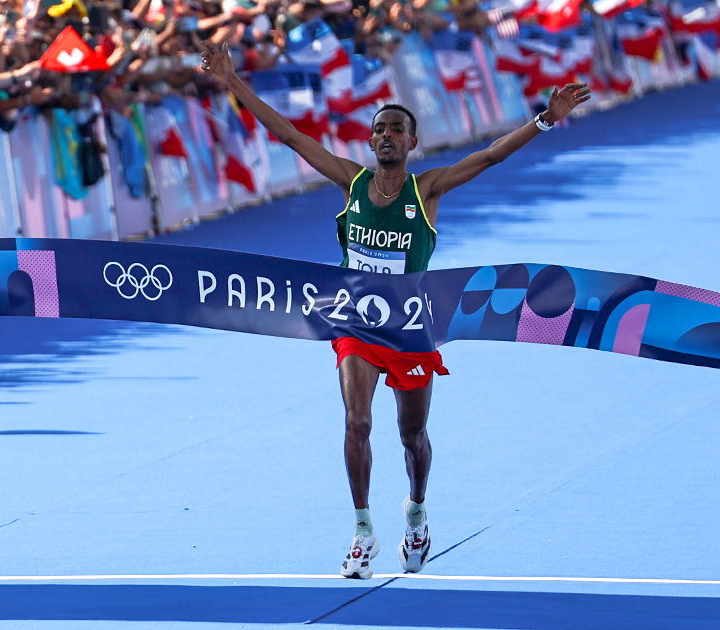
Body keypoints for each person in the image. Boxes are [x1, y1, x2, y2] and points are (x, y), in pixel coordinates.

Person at [200, 40, 591, 579]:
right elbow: (288, 135)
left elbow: (491, 155)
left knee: (412, 437)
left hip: (410, 330)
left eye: (395, 129)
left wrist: (546, 119)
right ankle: (362, 531)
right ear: (372, 140)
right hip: (356, 324)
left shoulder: (426, 190)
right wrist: (231, 82)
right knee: (355, 421)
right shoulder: (350, 182)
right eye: (378, 128)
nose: (385, 134)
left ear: (412, 141)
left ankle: (416, 512)